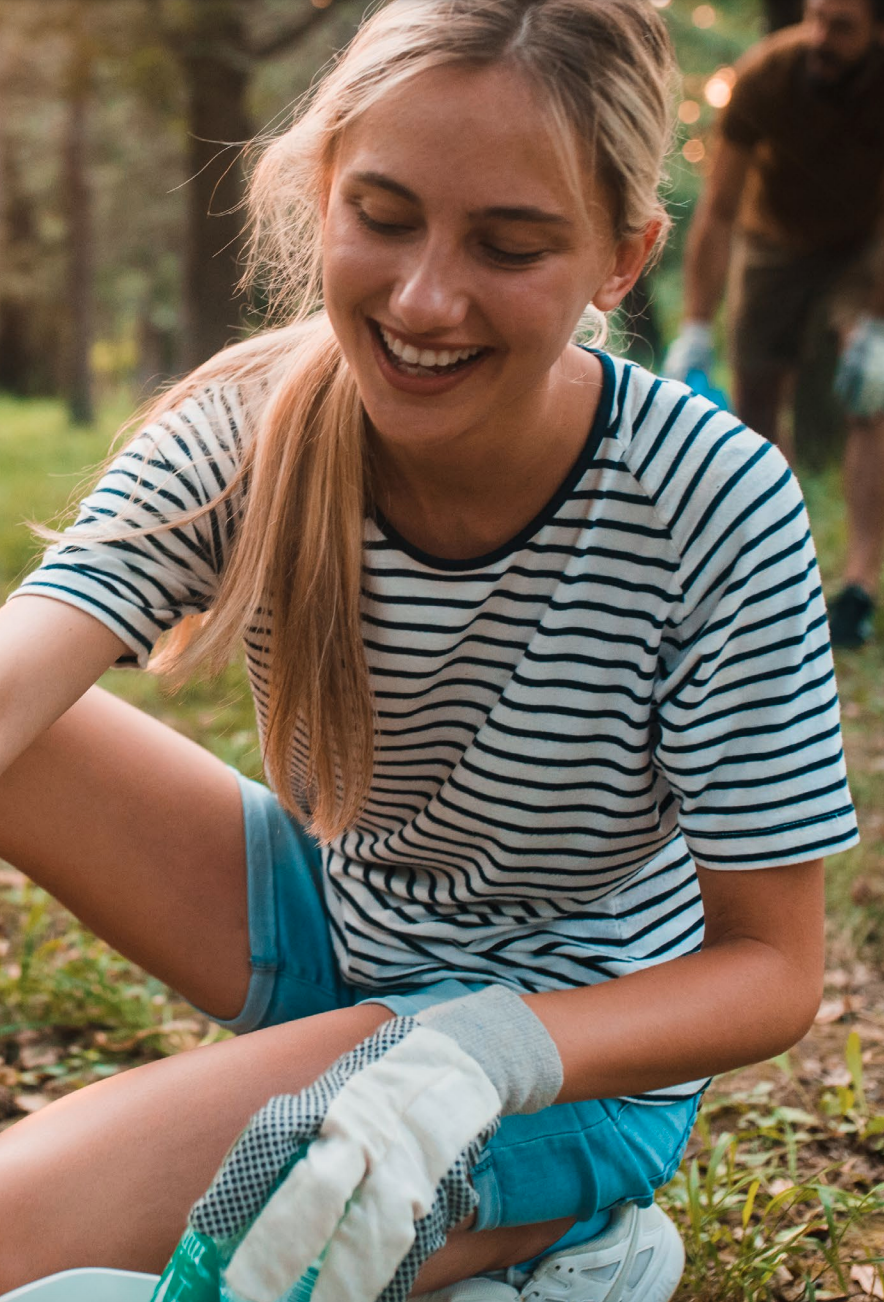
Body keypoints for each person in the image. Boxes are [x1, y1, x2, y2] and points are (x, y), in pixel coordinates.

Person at [0, 1, 859, 1299]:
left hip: (570, 1053)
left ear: (622, 259)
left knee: (172, 1257)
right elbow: (24, 670)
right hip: (342, 929)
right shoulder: (257, 421)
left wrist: (476, 1059)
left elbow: (773, 968)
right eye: (385, 217)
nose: (423, 297)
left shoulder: (710, 502)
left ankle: (565, 1231)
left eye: (509, 244)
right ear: (326, 186)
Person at [664, 0, 884, 650]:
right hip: (772, 239)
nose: (820, 36)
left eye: (840, 26)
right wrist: (697, 325)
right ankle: (787, 570)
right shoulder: (766, 73)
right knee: (756, 406)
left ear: (875, 29)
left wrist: (874, 326)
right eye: (815, 17)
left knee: (871, 397)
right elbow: (720, 209)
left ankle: (857, 587)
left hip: (863, 245)